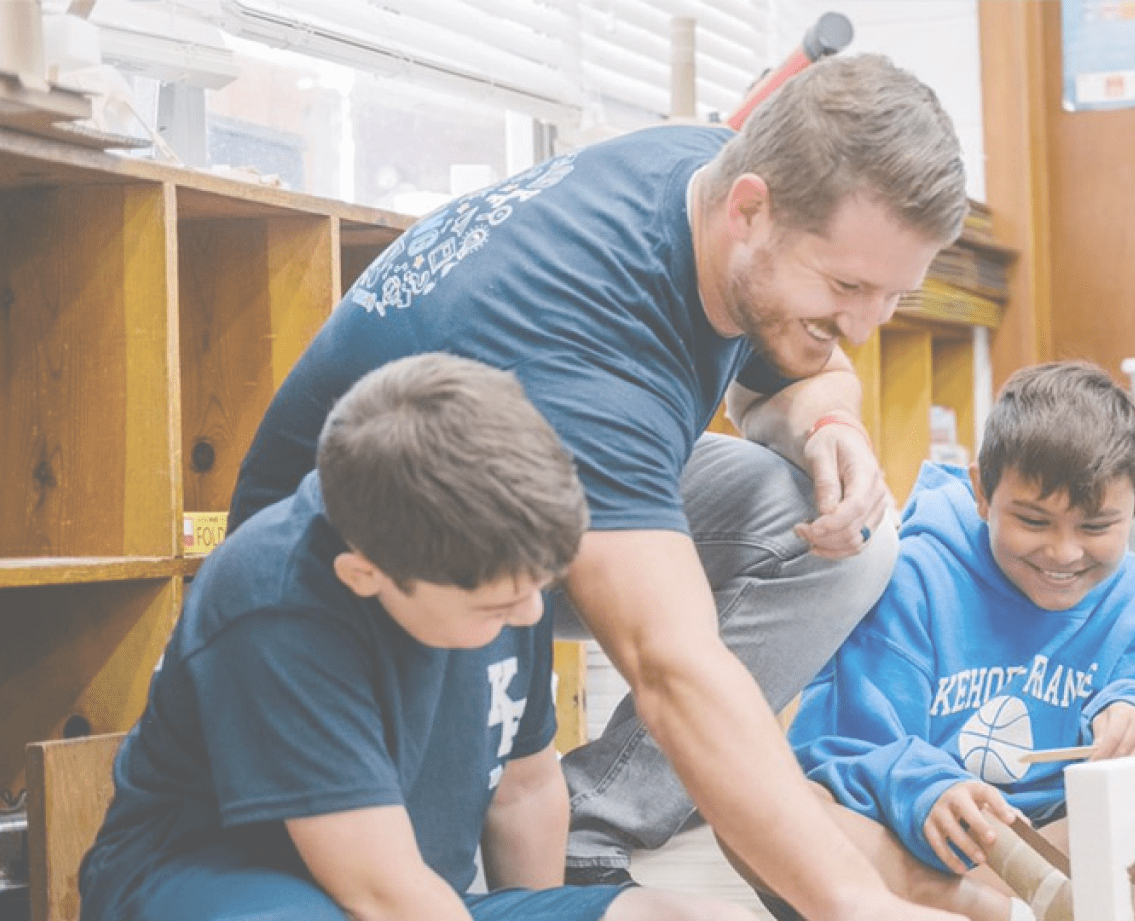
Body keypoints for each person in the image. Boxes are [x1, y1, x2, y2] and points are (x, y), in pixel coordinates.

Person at [224, 53, 969, 921]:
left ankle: (592, 830)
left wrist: (831, 422)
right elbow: (671, 665)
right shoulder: (590, 350)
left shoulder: (707, 172)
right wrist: (852, 902)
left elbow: (798, 370)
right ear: (750, 210)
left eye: (892, 296)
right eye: (847, 287)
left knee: (836, 526)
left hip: (513, 486)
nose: (864, 330)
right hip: (348, 588)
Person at [79, 353, 755, 921]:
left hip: (417, 890)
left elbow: (524, 789)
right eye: (499, 603)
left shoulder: (501, 550)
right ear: (365, 572)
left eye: (538, 589)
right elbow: (379, 891)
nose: (527, 617)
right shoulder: (275, 604)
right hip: (232, 887)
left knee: (688, 916)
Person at [779, 361, 1135, 921]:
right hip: (920, 840)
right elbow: (840, 750)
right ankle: (1010, 908)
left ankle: (992, 907)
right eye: (1034, 521)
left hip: (1054, 842)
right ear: (980, 491)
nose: (1064, 553)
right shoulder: (912, 577)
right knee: (789, 811)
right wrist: (927, 790)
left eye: (1096, 527)